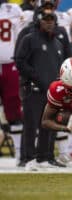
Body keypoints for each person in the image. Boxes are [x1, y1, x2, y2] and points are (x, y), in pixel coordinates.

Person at [15, 9, 67, 170]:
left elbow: (61, 67)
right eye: (46, 19)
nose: (49, 22)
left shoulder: (58, 43)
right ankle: (28, 159)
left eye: (52, 19)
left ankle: (45, 157)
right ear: (38, 21)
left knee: (49, 125)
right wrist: (35, 77)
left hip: (52, 93)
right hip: (34, 89)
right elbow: (20, 61)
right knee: (31, 125)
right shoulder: (29, 39)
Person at [0, 0, 24, 166]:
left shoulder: (13, 9)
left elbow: (21, 35)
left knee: (14, 110)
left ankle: (20, 154)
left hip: (10, 64)